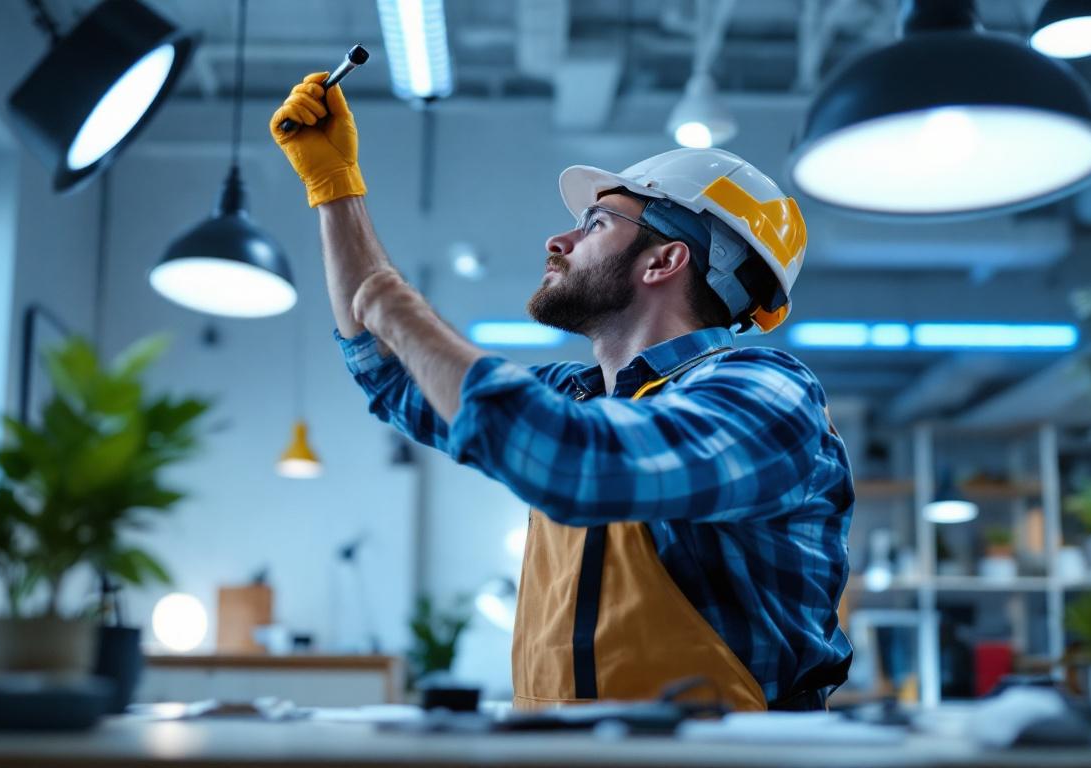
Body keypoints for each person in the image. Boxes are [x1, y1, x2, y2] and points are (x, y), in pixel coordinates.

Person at [270, 74, 854, 712]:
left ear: (664, 262)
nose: (559, 240)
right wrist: (335, 191)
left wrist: (406, 316)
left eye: (597, 222)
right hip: (562, 749)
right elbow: (391, 373)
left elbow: (586, 466)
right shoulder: (577, 400)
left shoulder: (764, 392)